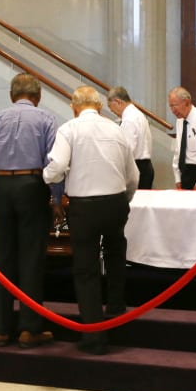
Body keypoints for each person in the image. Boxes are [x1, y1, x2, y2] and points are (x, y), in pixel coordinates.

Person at [43, 86, 139, 355]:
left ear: (74, 108)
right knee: (116, 254)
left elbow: (58, 166)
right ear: (99, 107)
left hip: (84, 205)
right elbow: (132, 174)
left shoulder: (69, 129)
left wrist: (47, 178)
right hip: (115, 201)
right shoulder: (116, 130)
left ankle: (94, 335)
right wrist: (125, 198)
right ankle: (117, 308)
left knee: (85, 268)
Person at [0, 73, 62, 349]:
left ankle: (0, 328)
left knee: (2, 258)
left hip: (1, 186)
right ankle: (29, 328)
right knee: (31, 257)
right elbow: (53, 163)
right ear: (37, 97)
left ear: (13, 96)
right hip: (32, 184)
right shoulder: (46, 120)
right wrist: (57, 199)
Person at [107, 86, 154, 189]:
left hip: (136, 168)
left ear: (118, 101)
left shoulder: (129, 119)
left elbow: (127, 150)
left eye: (111, 106)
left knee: (133, 204)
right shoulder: (138, 114)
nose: (112, 111)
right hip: (145, 167)